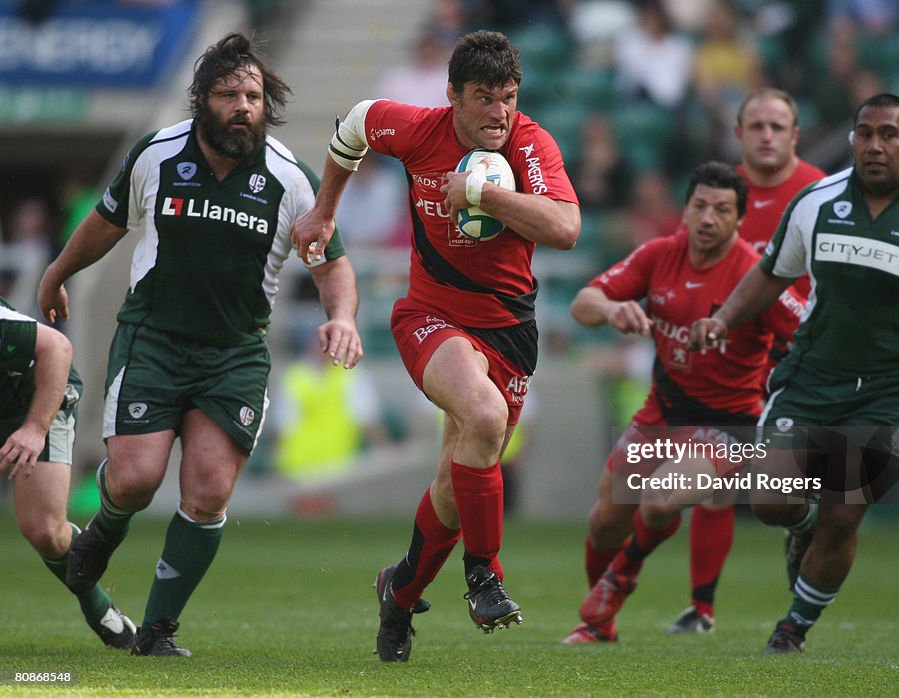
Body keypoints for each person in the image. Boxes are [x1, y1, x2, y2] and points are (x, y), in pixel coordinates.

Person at [37, 33, 362, 658]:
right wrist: (55, 275)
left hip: (235, 353)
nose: (244, 105)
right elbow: (104, 227)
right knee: (134, 481)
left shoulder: (291, 180)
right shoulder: (157, 155)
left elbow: (334, 265)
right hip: (153, 341)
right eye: (229, 94)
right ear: (201, 101)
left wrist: (341, 317)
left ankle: (158, 630)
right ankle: (100, 535)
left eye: (254, 95)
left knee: (208, 491)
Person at [291, 30, 581, 662]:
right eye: (483, 98)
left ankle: (397, 596)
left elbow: (564, 226)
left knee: (456, 483)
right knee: (483, 416)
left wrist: (484, 194)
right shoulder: (420, 130)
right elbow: (359, 124)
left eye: (508, 96)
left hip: (508, 330)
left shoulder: (530, 145)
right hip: (429, 315)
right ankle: (486, 575)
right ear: (452, 95)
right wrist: (323, 211)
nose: (499, 113)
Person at [689, 93, 899, 653]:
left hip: (889, 388)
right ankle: (799, 526)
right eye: (863, 133)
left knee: (844, 510)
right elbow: (772, 272)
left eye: (888, 134)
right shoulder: (816, 200)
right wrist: (724, 318)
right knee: (770, 500)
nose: (874, 146)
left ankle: (792, 629)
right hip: (810, 376)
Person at [561, 161, 803, 644]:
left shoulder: (758, 277)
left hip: (731, 422)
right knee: (605, 519)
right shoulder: (658, 255)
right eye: (700, 206)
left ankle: (622, 578)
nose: (708, 218)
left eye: (722, 210)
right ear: (685, 211)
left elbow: (808, 335)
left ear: (740, 219)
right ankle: (600, 623)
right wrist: (612, 308)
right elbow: (582, 303)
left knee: (659, 501)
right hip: (664, 410)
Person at [666, 88, 826, 634]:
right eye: (755, 125)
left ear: (794, 134)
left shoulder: (821, 193)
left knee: (780, 494)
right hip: (731, 356)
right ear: (738, 133)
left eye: (777, 126)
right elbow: (680, 256)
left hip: (800, 355)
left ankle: (803, 525)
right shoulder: (720, 193)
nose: (766, 135)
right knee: (713, 478)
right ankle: (702, 608)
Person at [0, 296, 137, 649]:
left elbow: (58, 347)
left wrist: (34, 428)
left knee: (45, 531)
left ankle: (96, 604)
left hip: (33, 393)